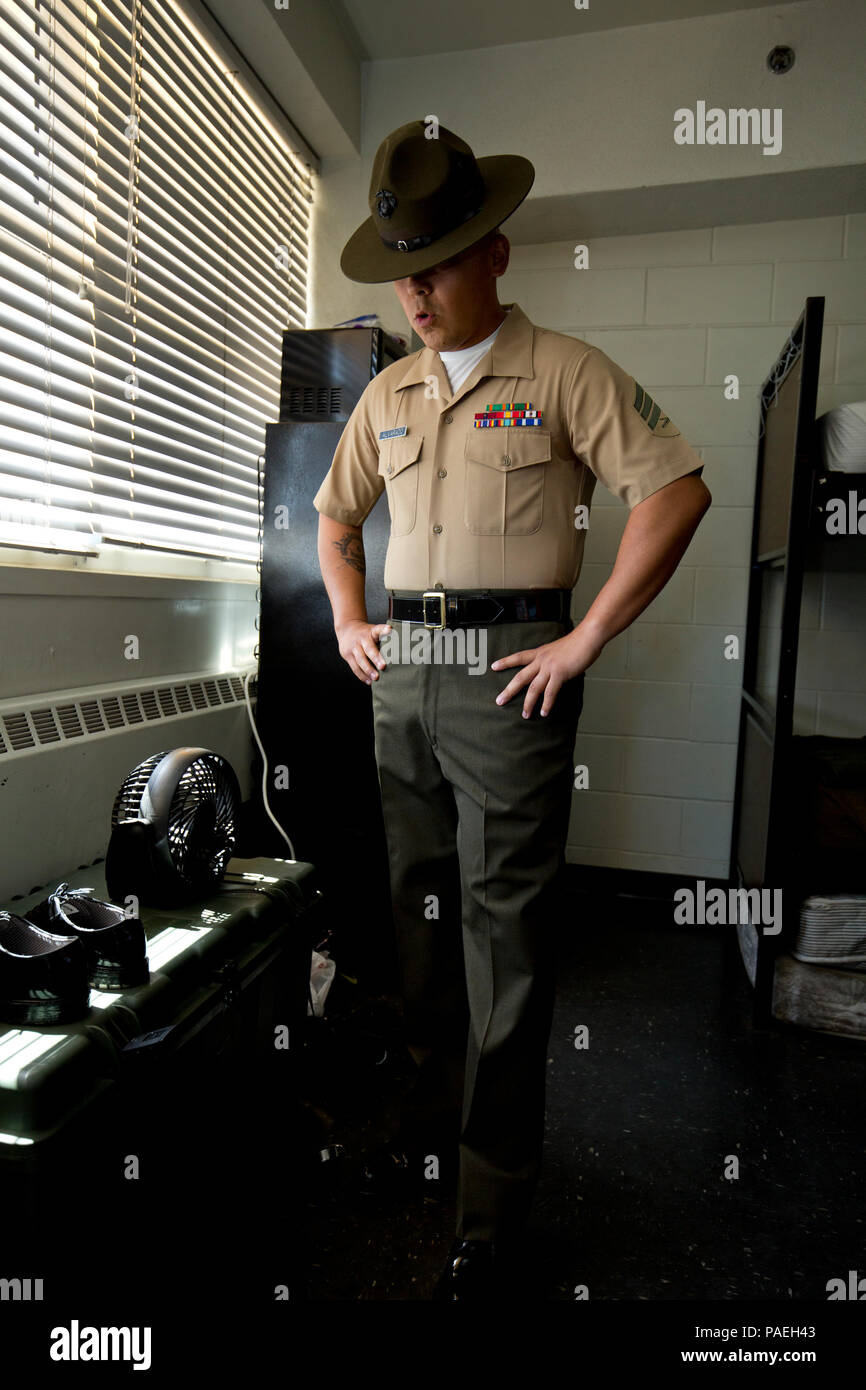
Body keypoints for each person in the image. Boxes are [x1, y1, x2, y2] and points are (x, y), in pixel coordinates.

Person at [314, 119, 711, 1300]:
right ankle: (429, 1134)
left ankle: (490, 1209)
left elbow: (675, 492)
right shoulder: (385, 391)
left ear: (493, 253)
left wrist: (582, 639)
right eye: (399, 267)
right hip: (405, 674)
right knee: (419, 922)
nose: (415, 290)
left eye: (434, 261)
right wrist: (347, 620)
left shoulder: (566, 373)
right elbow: (334, 524)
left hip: (509, 669)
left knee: (507, 945)